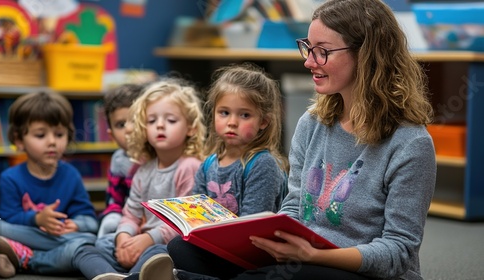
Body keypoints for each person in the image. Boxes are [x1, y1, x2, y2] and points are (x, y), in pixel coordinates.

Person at [149, 0, 437, 279]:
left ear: (367, 55)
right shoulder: (312, 123)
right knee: (182, 248)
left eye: (322, 51)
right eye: (308, 48)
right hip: (301, 259)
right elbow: (294, 208)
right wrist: (269, 241)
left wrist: (315, 256)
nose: (309, 61)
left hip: (357, 269)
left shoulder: (411, 143)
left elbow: (398, 252)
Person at [134, 62, 290, 279]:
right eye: (224, 113)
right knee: (177, 246)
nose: (232, 122)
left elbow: (253, 231)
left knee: (179, 254)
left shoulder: (262, 164)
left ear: (263, 121)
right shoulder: (208, 164)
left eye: (244, 115)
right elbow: (192, 216)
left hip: (254, 257)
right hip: (219, 249)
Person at [91, 77, 207, 279]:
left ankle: (128, 275)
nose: (160, 126)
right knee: (98, 245)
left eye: (171, 120)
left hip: (165, 243)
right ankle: (127, 274)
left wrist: (148, 239)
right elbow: (131, 213)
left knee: (159, 254)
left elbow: (186, 222)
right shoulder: (143, 169)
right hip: (140, 240)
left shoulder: (189, 167)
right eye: (151, 121)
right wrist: (123, 237)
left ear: (191, 127)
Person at [0, 91, 98, 278]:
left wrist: (76, 224)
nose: (52, 142)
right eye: (40, 135)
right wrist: (37, 219)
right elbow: (7, 217)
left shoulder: (71, 175)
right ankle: (31, 255)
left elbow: (89, 219)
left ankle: (25, 258)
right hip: (29, 236)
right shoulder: (8, 178)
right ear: (19, 140)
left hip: (61, 238)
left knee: (90, 238)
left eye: (59, 134)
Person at [98, 83, 145, 238]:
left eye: (135, 120)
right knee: (107, 230)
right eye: (121, 124)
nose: (129, 129)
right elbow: (114, 201)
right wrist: (114, 220)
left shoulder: (160, 156)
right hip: (126, 222)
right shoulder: (118, 160)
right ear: (111, 136)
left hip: (156, 223)